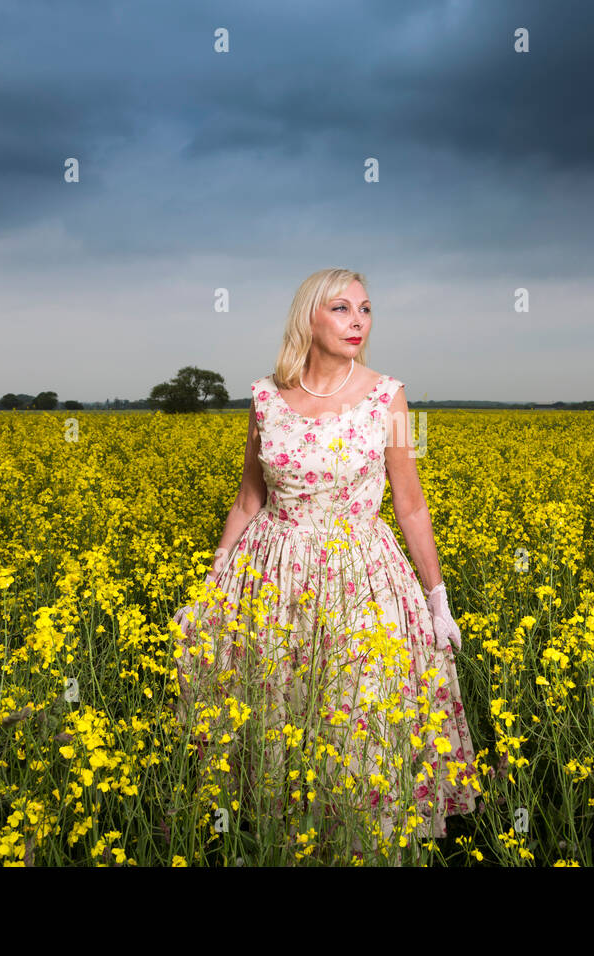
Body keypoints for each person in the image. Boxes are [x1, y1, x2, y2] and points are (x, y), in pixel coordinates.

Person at [170, 267, 482, 851]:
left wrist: (437, 598)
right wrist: (213, 582)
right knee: (274, 718)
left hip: (361, 579)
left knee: (359, 721)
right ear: (307, 319)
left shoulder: (390, 395)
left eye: (365, 309)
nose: (357, 320)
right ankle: (277, 847)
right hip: (271, 578)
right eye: (341, 309)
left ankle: (365, 847)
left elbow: (410, 506)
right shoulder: (265, 397)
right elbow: (248, 499)